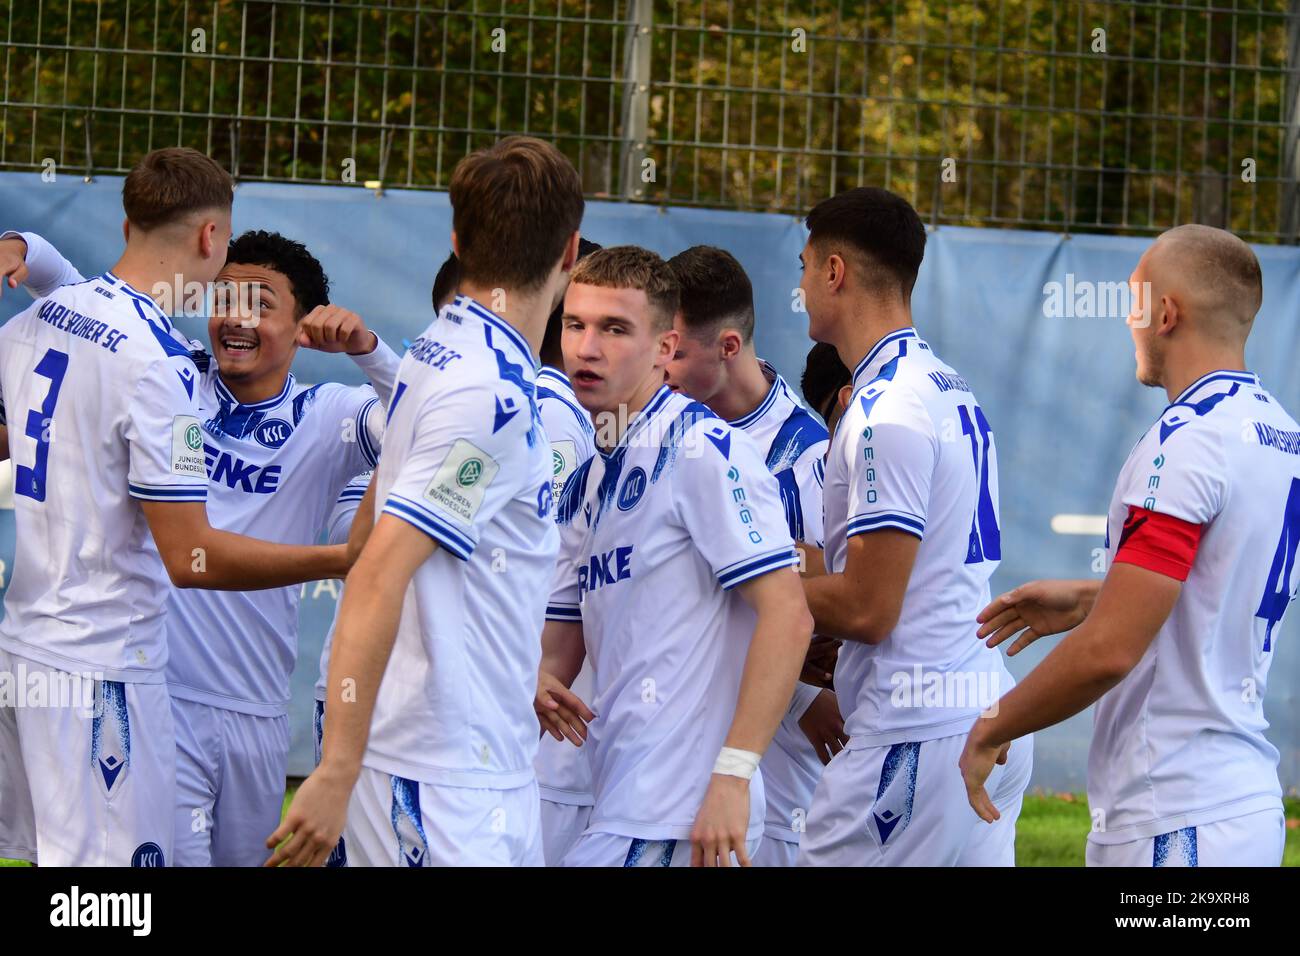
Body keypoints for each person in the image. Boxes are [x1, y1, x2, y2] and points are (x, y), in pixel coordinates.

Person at [2, 226, 400, 867]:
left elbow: (428, 419)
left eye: (261, 305)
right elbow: (84, 302)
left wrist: (368, 349)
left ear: (303, 325)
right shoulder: (170, 373)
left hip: (261, 715)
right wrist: (25, 245)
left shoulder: (331, 416)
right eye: (226, 299)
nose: (236, 320)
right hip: (163, 699)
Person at [271, 134, 585, 867]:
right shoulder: (488, 389)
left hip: (478, 757)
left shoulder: (445, 349)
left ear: (457, 238)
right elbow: (377, 571)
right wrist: (338, 769)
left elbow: (380, 540)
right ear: (570, 252)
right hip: (440, 779)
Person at [961, 224, 1295, 867]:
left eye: (1135, 303)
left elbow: (1110, 650)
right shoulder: (1280, 432)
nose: (1128, 322)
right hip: (1238, 804)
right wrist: (1096, 595)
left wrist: (993, 726)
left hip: (1177, 815)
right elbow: (1218, 586)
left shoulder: (1189, 439)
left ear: (1166, 313)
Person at [537, 245, 813, 867]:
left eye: (615, 329)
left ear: (664, 349)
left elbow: (789, 616)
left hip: (683, 813)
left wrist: (733, 777)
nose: (586, 348)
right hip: (617, 799)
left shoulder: (706, 448)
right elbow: (558, 653)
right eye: (574, 325)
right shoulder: (588, 480)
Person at [796, 187, 1030, 866]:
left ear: (834, 271)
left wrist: (751, 582)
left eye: (805, 265)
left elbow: (869, 608)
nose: (801, 284)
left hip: (916, 734)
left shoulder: (883, 410)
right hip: (979, 710)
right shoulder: (945, 385)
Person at [664, 245, 845, 866]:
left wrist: (799, 698)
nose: (661, 365)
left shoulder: (806, 457)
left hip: (774, 746)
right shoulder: (652, 425)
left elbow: (825, 614)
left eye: (677, 351)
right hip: (667, 730)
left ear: (729, 347)